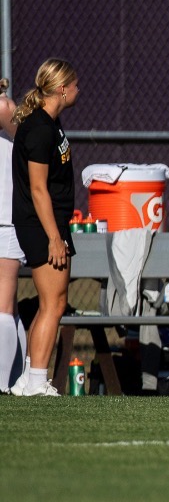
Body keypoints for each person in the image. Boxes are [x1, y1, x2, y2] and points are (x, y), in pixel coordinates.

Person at [9, 60, 78, 397]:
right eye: (74, 84)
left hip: (53, 222)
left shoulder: (51, 123)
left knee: (50, 302)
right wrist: (54, 236)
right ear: (61, 88)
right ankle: (37, 379)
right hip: (42, 225)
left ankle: (27, 377)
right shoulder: (38, 128)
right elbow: (38, 189)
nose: (78, 90)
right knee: (54, 303)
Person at [0, 82, 21, 392]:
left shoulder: (5, 108)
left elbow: (22, 132)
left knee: (5, 305)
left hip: (7, 219)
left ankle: (7, 382)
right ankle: (13, 381)